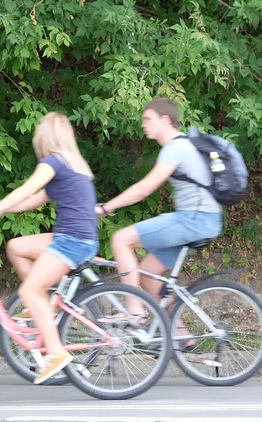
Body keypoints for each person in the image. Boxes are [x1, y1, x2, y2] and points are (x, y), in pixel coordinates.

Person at [0, 112, 98, 384]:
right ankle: (44, 306)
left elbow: (26, 189)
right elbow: (34, 200)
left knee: (28, 290)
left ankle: (56, 352)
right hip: (72, 236)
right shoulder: (71, 164)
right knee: (16, 246)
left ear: (46, 138)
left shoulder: (53, 163)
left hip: (71, 240)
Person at [95, 98, 223, 339]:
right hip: (204, 221)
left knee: (121, 239)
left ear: (165, 120)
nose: (143, 124)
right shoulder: (184, 145)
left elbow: (145, 189)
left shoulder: (175, 147)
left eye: (147, 119)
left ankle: (133, 311)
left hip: (193, 220)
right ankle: (183, 338)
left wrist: (106, 207)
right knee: (146, 275)